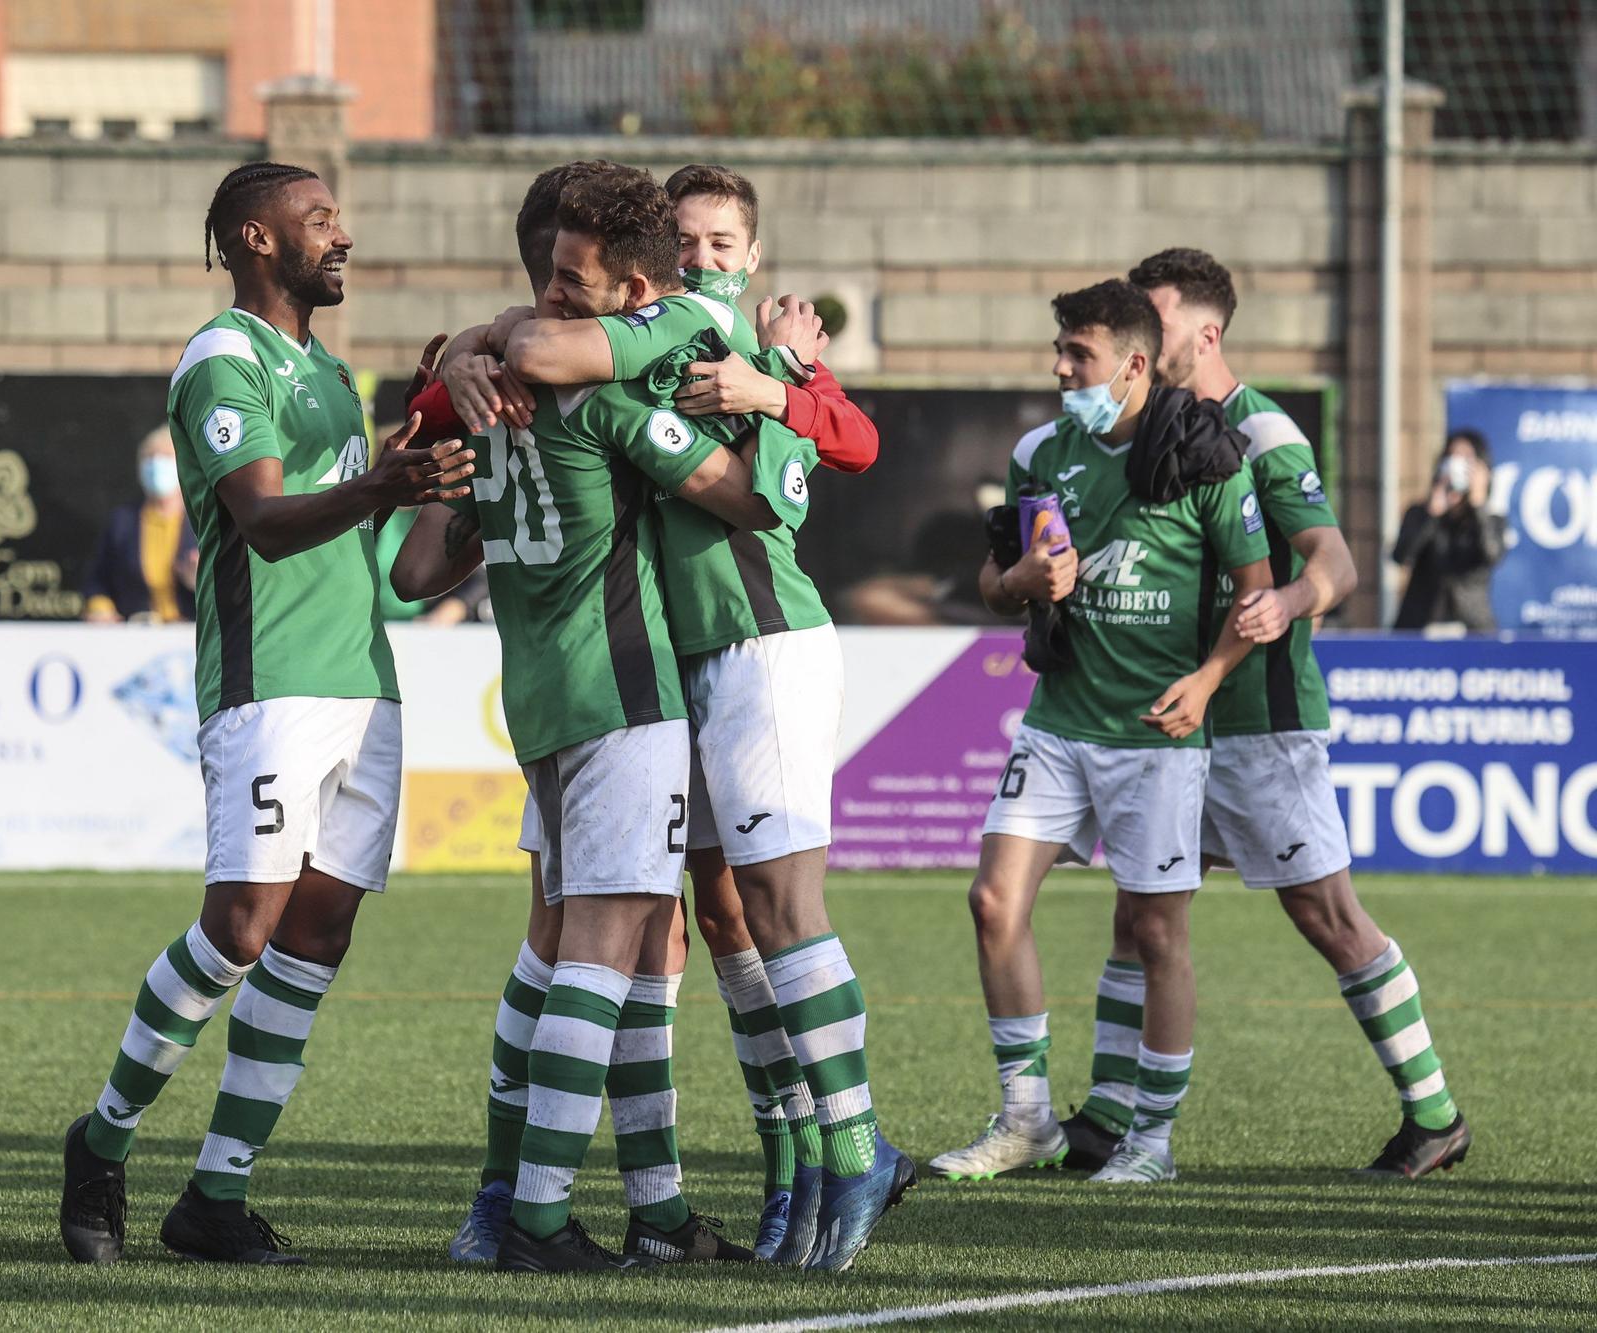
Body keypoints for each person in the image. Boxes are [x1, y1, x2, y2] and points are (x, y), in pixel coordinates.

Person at [477, 161, 908, 1269]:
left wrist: (782, 387)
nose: (706, 257)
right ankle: (748, 1181)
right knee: (706, 923)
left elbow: (844, 450)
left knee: (772, 904)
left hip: (756, 642)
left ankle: (849, 1145)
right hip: (673, 660)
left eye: (722, 241)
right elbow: (528, 346)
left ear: (745, 257)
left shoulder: (692, 329)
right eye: (688, 239)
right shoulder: (690, 337)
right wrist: (474, 348)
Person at [56, 161, 475, 1267]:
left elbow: (388, 575)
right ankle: (100, 1140)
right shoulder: (220, 359)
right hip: (268, 682)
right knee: (239, 926)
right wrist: (385, 484)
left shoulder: (332, 375)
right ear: (255, 238)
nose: (341, 235)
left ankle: (215, 1197)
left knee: (316, 934)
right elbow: (264, 520)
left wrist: (441, 485)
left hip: (366, 684)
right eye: (318, 218)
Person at [397, 164, 777, 1274]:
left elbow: (420, 567)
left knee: (568, 947)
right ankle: (537, 1219)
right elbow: (745, 497)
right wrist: (777, 405)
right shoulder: (603, 399)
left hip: (538, 700)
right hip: (624, 694)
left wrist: (466, 445)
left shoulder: (491, 398)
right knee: (608, 953)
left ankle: (606, 1209)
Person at [1053, 248, 1467, 1179]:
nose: (1135, 333)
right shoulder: (1134, 424)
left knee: (1327, 914)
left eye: (1151, 319)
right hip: (1168, 722)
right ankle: (1109, 1119)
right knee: (1139, 916)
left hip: (1257, 719)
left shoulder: (1262, 429)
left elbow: (1338, 562)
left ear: (1204, 334)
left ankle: (1434, 1112)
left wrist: (1288, 599)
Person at [929, 279, 1271, 1186]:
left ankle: (1151, 1141)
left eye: (1076, 355)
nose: (1058, 368)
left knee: (1158, 936)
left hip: (1157, 735)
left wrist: (1207, 681)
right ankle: (1027, 1119)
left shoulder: (1204, 457)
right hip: (1059, 721)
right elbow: (998, 578)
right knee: (993, 902)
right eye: (1059, 351)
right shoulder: (1043, 451)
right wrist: (1024, 584)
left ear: (1130, 365)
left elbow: (1256, 592)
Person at [1392, 430, 1505, 632]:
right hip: (1421, 624)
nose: (1458, 465)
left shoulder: (1492, 518)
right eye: (1452, 457)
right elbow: (1401, 556)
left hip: (1473, 625)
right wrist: (1432, 513)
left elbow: (1492, 555)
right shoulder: (1420, 513)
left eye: (1467, 460)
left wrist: (1478, 505)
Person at [82, 427, 198, 623]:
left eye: (166, 457)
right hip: (136, 637)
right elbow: (98, 580)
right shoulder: (122, 521)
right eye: (150, 458)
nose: (156, 465)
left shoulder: (203, 521)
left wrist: (201, 582)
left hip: (191, 637)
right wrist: (100, 607)